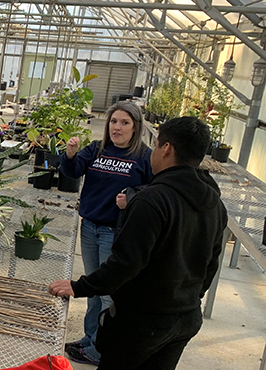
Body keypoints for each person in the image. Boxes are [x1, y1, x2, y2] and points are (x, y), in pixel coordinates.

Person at [49, 116, 227, 370]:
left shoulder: (152, 200)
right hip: (184, 318)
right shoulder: (214, 203)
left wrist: (79, 286)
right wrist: (187, 299)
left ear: (167, 149)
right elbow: (211, 263)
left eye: (156, 146)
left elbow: (126, 262)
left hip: (143, 321)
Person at [58, 100, 153, 365]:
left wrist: (131, 197)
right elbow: (72, 172)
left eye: (124, 123)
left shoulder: (144, 157)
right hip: (89, 227)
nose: (117, 127)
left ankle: (103, 349)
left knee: (108, 292)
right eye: (113, 121)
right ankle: (91, 338)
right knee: (93, 285)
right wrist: (70, 154)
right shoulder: (98, 149)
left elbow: (156, 191)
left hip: (116, 232)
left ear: (136, 127)